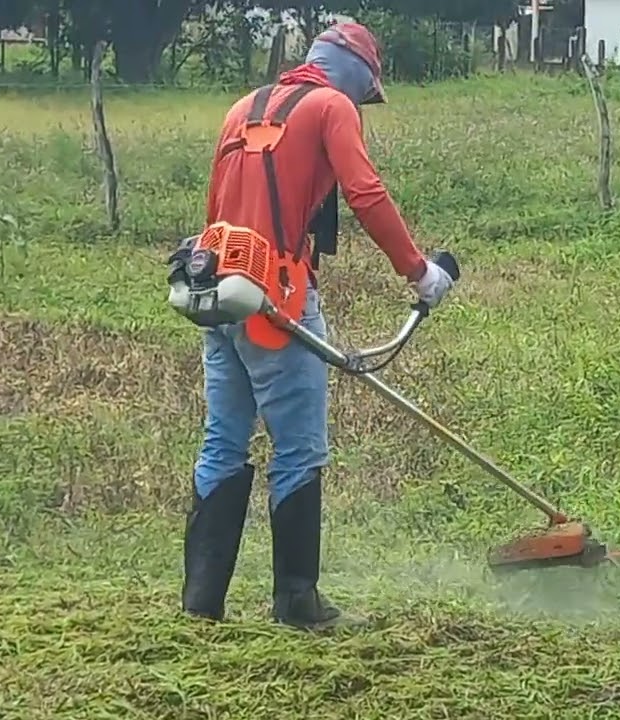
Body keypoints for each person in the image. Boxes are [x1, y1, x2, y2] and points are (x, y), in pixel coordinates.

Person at [181, 22, 454, 630]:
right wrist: (420, 272)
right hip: (276, 297)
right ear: (355, 75)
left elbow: (213, 209)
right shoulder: (332, 106)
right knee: (299, 446)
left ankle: (200, 602)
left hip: (216, 290)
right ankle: (298, 603)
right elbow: (366, 193)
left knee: (223, 438)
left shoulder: (242, 107)